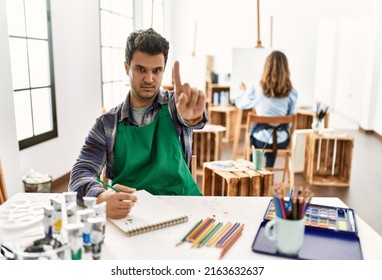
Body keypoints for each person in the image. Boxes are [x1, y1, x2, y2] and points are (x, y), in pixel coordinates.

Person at [69, 28, 208, 219]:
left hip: (183, 206)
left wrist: (192, 118)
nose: (149, 79)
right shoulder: (107, 124)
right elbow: (80, 174)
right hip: (132, 214)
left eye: (156, 70)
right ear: (127, 68)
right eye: (141, 69)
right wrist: (100, 197)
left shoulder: (175, 107)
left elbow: (192, 118)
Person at [235, 50, 297, 167]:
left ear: (266, 68)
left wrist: (242, 91)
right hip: (281, 142)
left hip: (260, 141)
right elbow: (289, 118)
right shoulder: (292, 92)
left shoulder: (257, 89)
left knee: (255, 137)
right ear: (286, 69)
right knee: (275, 134)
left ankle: (254, 171)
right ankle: (269, 170)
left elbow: (240, 103)